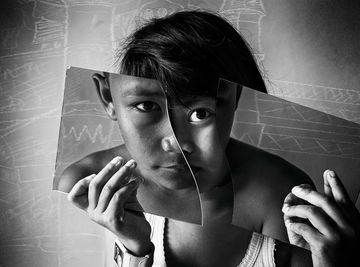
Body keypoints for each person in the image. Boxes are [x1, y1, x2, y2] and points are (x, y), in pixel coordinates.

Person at [58, 10, 360, 267]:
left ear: (237, 99)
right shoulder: (90, 183)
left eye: (200, 113)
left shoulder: (281, 195)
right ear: (108, 97)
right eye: (147, 106)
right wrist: (135, 249)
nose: (175, 142)